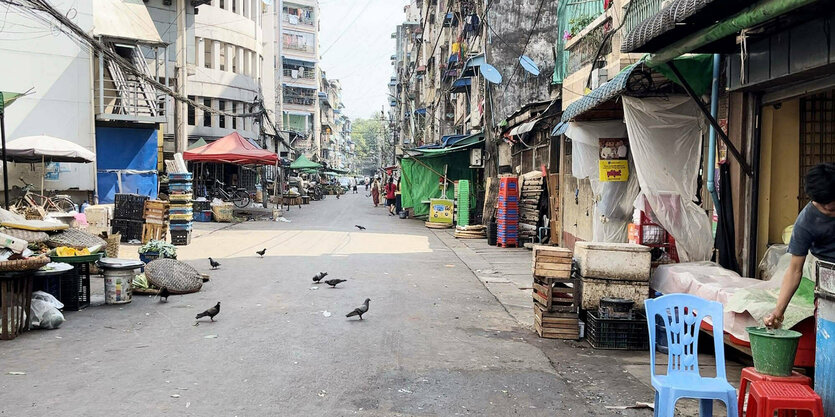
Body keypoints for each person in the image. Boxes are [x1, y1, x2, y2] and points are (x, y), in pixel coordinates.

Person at [764, 162, 835, 329]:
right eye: (829, 208)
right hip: (828, 277)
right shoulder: (805, 222)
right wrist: (778, 312)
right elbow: (794, 270)